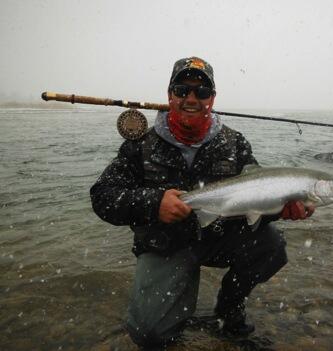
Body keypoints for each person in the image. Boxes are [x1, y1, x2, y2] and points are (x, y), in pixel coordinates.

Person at [90, 57, 315, 348]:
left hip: (218, 237)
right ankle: (175, 307)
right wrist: (153, 203)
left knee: (271, 246)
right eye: (182, 90)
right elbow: (103, 196)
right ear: (169, 95)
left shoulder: (235, 144)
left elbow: (254, 204)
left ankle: (227, 310)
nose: (191, 98)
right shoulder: (140, 146)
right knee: (149, 334)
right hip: (166, 244)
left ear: (213, 98)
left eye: (202, 92)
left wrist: (281, 209)